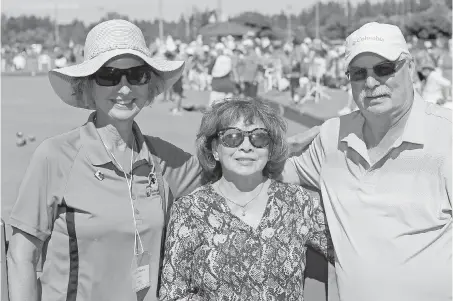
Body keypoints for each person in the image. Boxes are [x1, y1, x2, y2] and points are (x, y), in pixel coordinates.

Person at [6, 19, 203, 301]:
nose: (124, 88)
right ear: (88, 86)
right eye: (109, 75)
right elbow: (21, 255)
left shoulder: (165, 158)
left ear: (150, 85)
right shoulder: (55, 156)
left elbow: (237, 177)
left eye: (137, 75)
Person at [280, 22, 452, 301]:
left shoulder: (447, 136)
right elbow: (254, 172)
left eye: (384, 69)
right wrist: (281, 146)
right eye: (359, 73)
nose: (371, 83)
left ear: (409, 69)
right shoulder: (332, 136)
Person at [159, 98, 333, 300]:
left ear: (270, 148)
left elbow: (350, 248)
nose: (246, 146)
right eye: (232, 137)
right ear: (215, 149)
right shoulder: (190, 210)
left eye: (259, 138)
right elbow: (172, 294)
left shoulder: (296, 202)